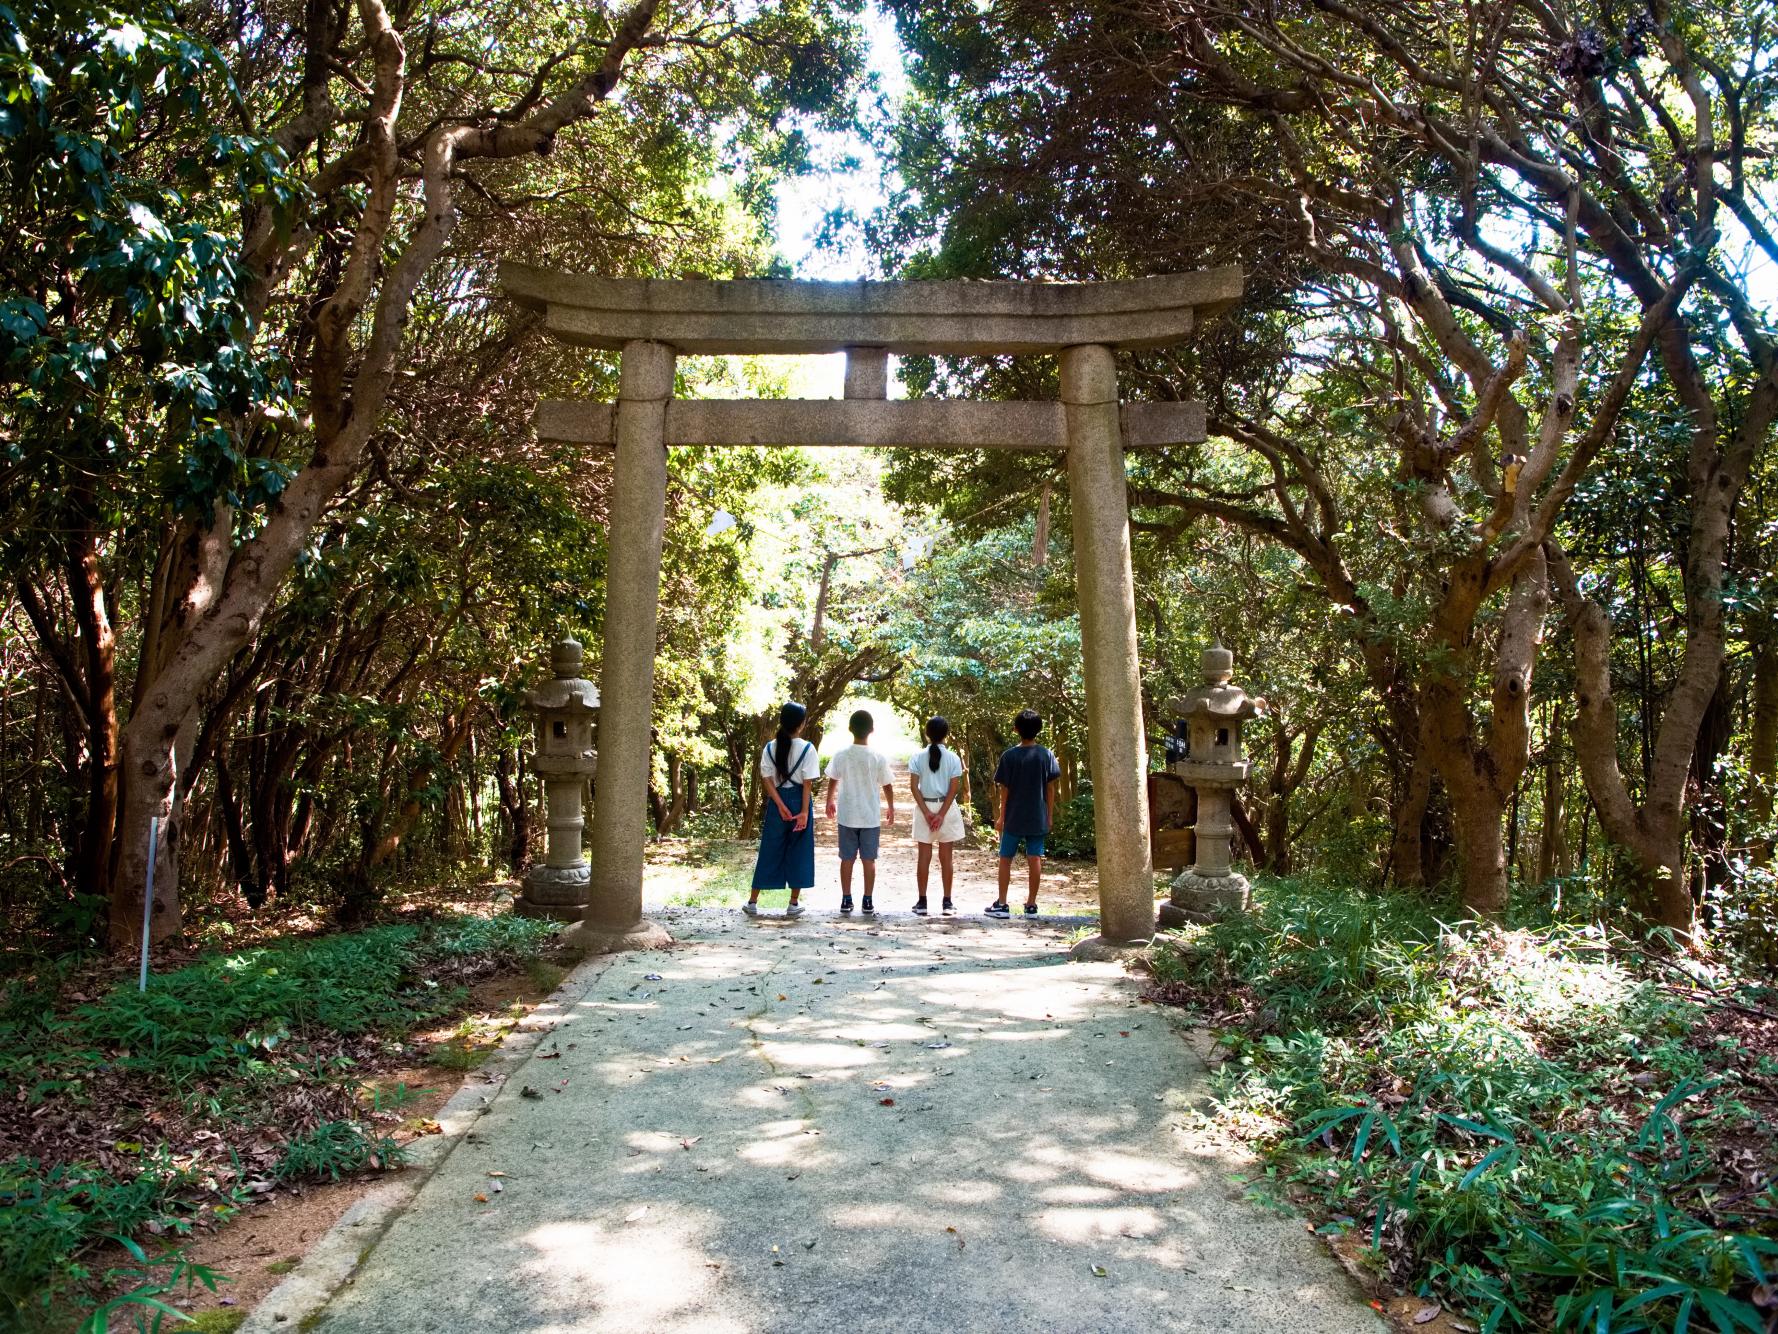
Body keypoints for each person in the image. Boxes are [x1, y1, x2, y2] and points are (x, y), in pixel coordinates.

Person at [746, 701, 819, 918]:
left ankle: (752, 901)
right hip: (800, 801)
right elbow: (807, 784)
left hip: (777, 803)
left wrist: (779, 804)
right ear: (801, 724)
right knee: (799, 850)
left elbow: (767, 780)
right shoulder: (807, 748)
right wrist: (804, 811)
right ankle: (793, 903)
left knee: (770, 848)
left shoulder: (770, 747)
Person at [986, 708, 1060, 918]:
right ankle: (1031, 905)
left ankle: (1001, 904)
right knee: (1034, 857)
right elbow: (1050, 788)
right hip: (1037, 815)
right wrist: (1049, 815)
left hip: (1014, 816)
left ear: (1016, 729)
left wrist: (1001, 816)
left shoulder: (1009, 756)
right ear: (1038, 729)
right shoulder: (1046, 755)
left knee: (1005, 858)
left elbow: (1004, 790)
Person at [823, 709, 896, 916]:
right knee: (869, 860)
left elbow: (833, 779)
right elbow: (887, 785)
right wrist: (891, 807)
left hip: (847, 814)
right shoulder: (877, 757)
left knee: (847, 859)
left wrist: (829, 801)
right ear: (872, 730)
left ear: (850, 729)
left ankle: (846, 899)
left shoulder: (842, 754)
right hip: (870, 816)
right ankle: (868, 900)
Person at [908, 715, 966, 915]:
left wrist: (926, 813)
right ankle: (947, 902)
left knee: (924, 857)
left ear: (927, 733)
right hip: (946, 810)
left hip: (925, 808)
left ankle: (922, 902)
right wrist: (941, 814)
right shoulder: (953, 758)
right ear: (946, 735)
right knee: (946, 858)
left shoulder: (917, 757)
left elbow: (914, 787)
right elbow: (953, 789)